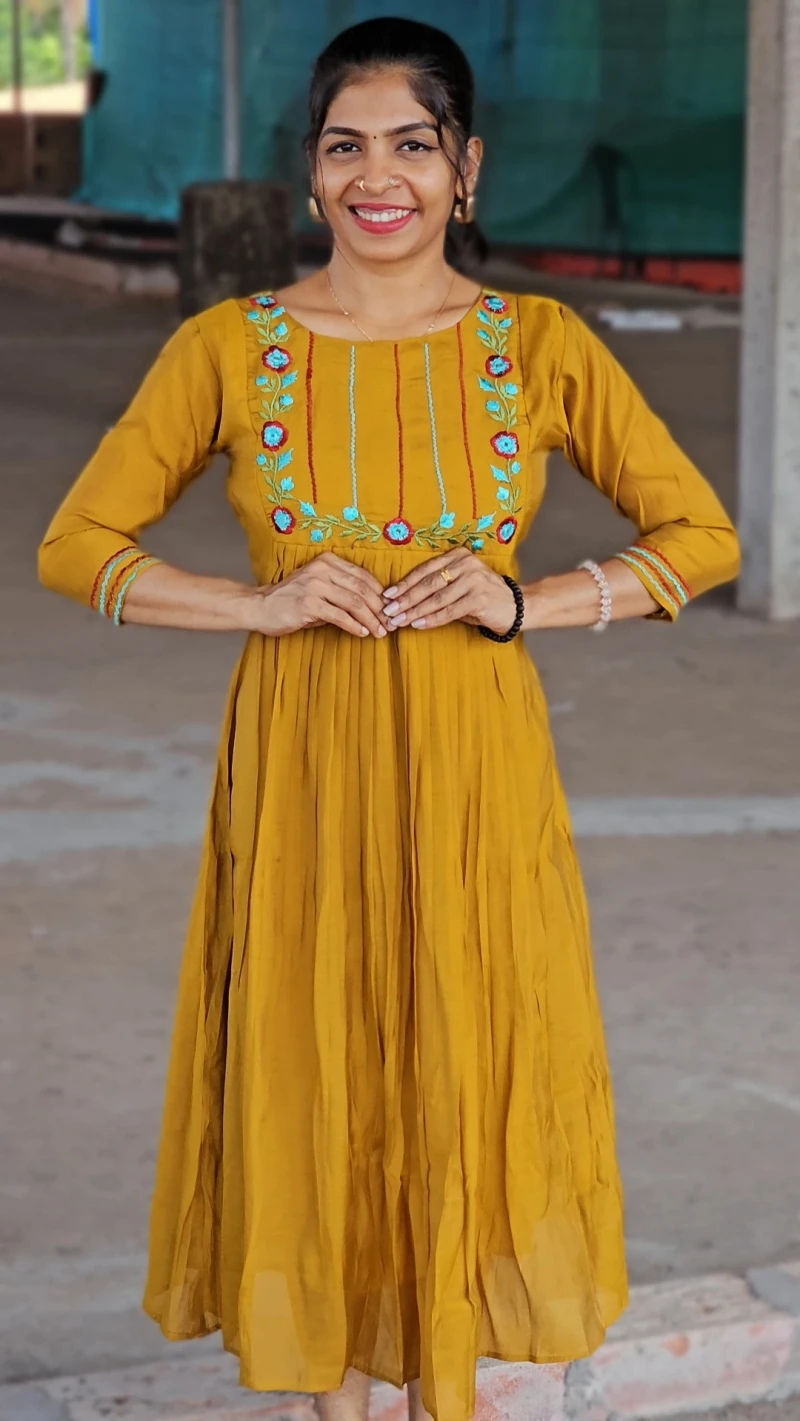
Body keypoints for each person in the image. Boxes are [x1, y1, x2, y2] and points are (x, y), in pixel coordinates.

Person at [38, 17, 740, 1421]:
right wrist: (259, 606)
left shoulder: (536, 346)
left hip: (478, 776)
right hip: (300, 772)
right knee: (319, 1079)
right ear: (310, 173)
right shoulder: (229, 348)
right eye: (346, 146)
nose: (380, 177)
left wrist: (527, 601)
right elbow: (77, 544)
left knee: (460, 1072)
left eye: (413, 145)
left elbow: (700, 536)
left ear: (466, 168)